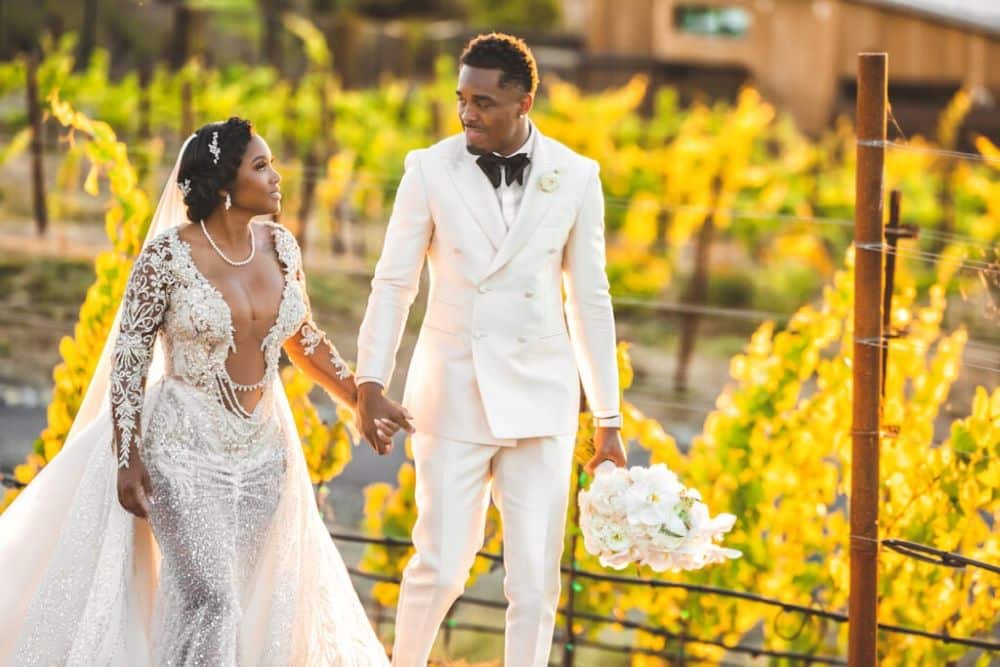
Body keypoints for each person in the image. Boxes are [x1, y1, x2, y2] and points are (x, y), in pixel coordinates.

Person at [0, 117, 406, 665]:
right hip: (182, 452)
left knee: (226, 599)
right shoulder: (166, 258)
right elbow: (130, 360)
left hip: (263, 458)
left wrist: (359, 395)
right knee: (212, 597)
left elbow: (303, 338)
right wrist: (127, 456)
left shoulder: (282, 246)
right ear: (222, 184)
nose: (277, 176)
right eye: (260, 166)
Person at [355, 33, 627, 667]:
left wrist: (608, 420)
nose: (467, 114)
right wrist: (371, 380)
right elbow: (394, 284)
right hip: (453, 393)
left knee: (535, 582)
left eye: (483, 102)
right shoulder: (428, 168)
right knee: (443, 565)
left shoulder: (577, 176)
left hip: (543, 401)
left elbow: (591, 301)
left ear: (524, 101)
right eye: (461, 100)